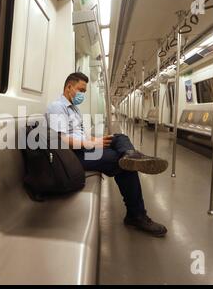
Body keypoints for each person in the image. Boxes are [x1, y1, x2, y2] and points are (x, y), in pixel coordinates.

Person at [46, 72, 169, 237]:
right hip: (72, 156)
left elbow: (80, 135)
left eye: (84, 91)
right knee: (121, 162)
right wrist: (90, 144)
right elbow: (60, 140)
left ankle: (131, 154)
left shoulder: (75, 110)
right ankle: (136, 215)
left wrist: (96, 140)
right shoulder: (57, 107)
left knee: (119, 137)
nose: (82, 95)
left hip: (84, 148)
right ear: (69, 87)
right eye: (80, 90)